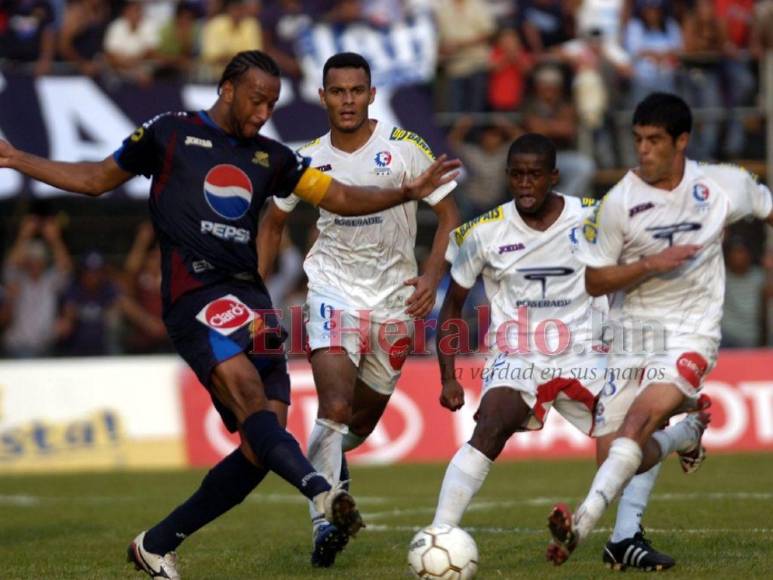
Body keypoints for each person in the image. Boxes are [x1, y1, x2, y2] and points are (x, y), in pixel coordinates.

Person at [0, 49, 460, 579]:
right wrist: (16, 158)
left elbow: (340, 196)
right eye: (257, 100)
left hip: (252, 304)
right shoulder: (171, 133)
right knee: (257, 408)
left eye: (272, 103)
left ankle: (156, 543)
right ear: (226, 90)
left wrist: (405, 191)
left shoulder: (273, 158)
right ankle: (324, 495)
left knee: (262, 448)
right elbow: (94, 179)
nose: (264, 112)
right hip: (196, 296)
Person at [429, 132, 698, 572]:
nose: (525, 184)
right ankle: (440, 533)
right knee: (491, 425)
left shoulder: (592, 219)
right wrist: (448, 375)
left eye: (535, 175)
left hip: (587, 353)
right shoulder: (482, 232)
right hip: (517, 356)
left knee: (639, 428)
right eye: (516, 175)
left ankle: (625, 538)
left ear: (554, 176)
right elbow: (453, 306)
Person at [545, 92, 773, 566]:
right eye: (637, 140)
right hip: (631, 334)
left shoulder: (721, 185)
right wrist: (650, 263)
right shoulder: (619, 204)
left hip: (692, 331)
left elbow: (768, 208)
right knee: (621, 454)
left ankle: (582, 524)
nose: (643, 150)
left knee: (637, 423)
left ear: (681, 141)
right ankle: (685, 435)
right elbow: (594, 280)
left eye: (653, 140)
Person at [258, 51, 461, 567]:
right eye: (337, 91)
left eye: (356, 91)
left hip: (396, 300)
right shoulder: (305, 158)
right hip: (332, 291)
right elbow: (274, 221)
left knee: (360, 425)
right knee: (335, 406)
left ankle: (332, 474)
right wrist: (255, 289)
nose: (347, 100)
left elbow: (449, 212)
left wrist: (433, 274)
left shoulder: (405, 149)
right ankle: (324, 519)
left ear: (371, 95)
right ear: (322, 96)